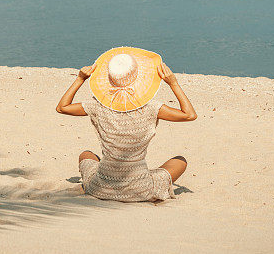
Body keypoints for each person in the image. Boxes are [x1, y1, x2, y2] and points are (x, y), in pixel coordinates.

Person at [55, 47, 197, 202]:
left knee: (86, 155)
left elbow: (62, 107)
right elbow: (189, 115)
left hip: (101, 188)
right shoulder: (152, 108)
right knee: (180, 161)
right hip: (141, 189)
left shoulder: (97, 106)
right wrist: (173, 83)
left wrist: (80, 79)